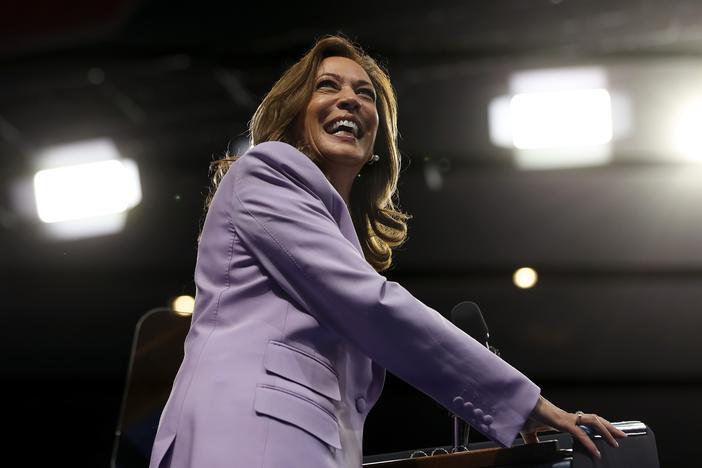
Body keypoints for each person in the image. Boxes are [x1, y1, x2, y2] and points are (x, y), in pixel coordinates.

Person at [149, 35, 626, 468]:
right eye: (327, 86)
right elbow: (373, 306)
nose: (349, 100)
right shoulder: (266, 171)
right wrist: (525, 406)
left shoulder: (333, 231)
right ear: (294, 113)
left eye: (366, 94)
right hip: (250, 434)